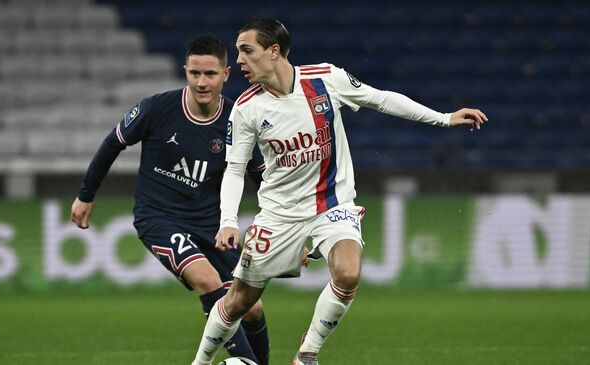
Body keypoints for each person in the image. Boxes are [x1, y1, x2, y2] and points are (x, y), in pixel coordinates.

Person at [190, 18, 488, 365]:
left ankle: (307, 354)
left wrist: (444, 118)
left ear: (273, 51)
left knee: (347, 274)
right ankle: (200, 362)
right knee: (239, 301)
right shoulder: (246, 108)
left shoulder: (325, 79)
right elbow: (235, 169)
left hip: (332, 204)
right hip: (279, 215)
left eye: (246, 50)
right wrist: (228, 221)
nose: (239, 60)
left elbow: (382, 99)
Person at [70, 34, 271, 365]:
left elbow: (262, 179)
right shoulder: (156, 109)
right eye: (195, 74)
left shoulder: (240, 120)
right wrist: (85, 195)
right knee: (207, 279)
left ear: (226, 75)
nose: (201, 82)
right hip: (159, 218)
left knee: (252, 306)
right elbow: (112, 144)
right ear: (185, 72)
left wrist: (284, 223)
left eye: (210, 74)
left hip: (211, 225)